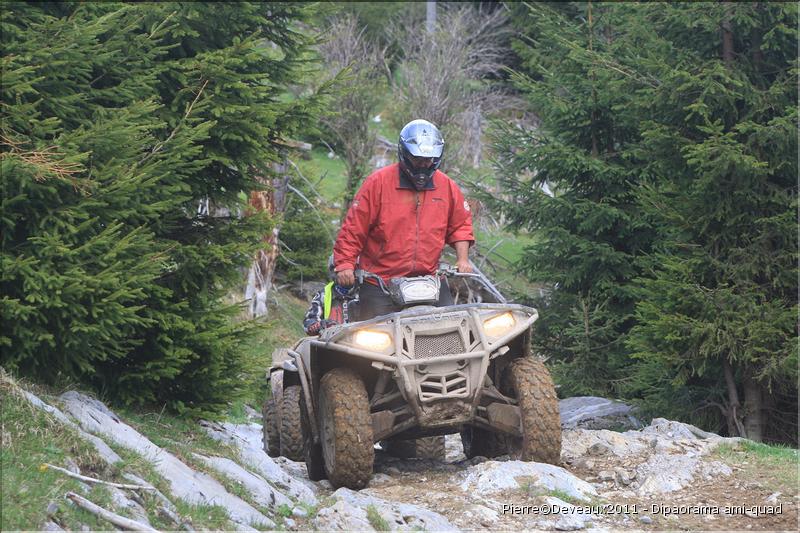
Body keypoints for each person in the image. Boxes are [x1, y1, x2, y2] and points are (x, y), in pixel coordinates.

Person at [333, 119, 474, 320]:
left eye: (429, 160)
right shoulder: (378, 183)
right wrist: (345, 264)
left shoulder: (447, 186)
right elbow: (354, 228)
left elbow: (460, 225)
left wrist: (462, 259)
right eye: (417, 159)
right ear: (405, 154)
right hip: (381, 282)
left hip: (429, 279)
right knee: (371, 341)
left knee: (454, 326)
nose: (424, 165)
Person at [302, 257, 353, 335]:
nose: (344, 274)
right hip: (330, 339)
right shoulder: (324, 293)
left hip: (362, 340)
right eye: (338, 270)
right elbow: (308, 321)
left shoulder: (365, 292)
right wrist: (318, 325)